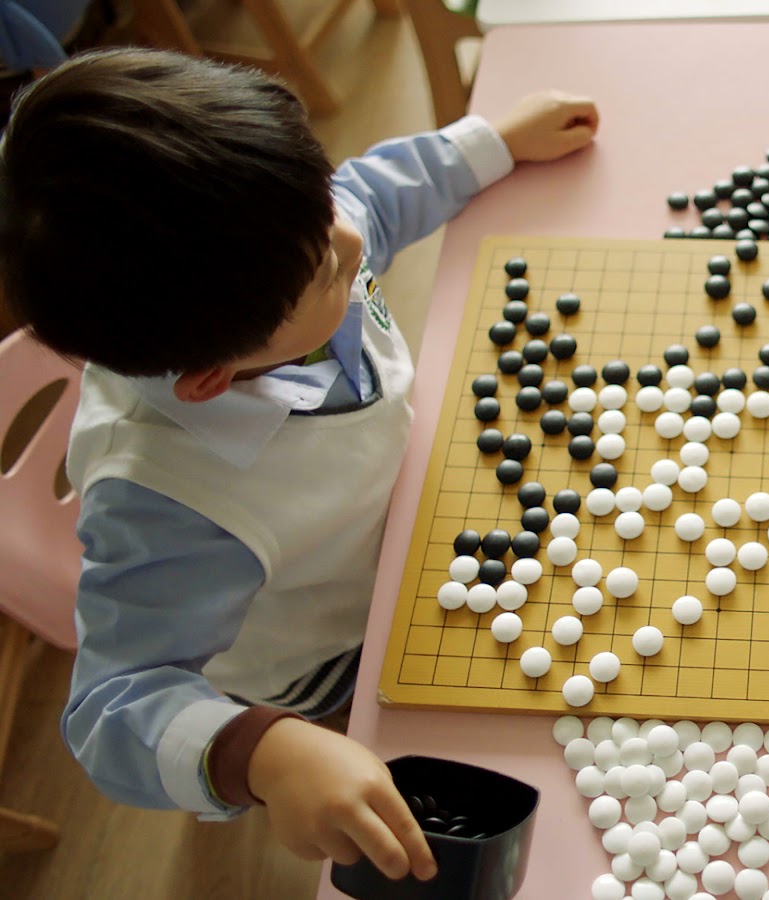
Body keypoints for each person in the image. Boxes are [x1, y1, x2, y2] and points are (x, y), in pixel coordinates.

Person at [0, 48, 598, 881]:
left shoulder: (285, 247)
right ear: (213, 378)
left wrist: (489, 142)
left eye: (320, 203)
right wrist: (265, 753)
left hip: (408, 527)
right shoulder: (170, 505)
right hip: (331, 656)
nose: (351, 240)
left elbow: (369, 195)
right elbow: (112, 705)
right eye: (327, 268)